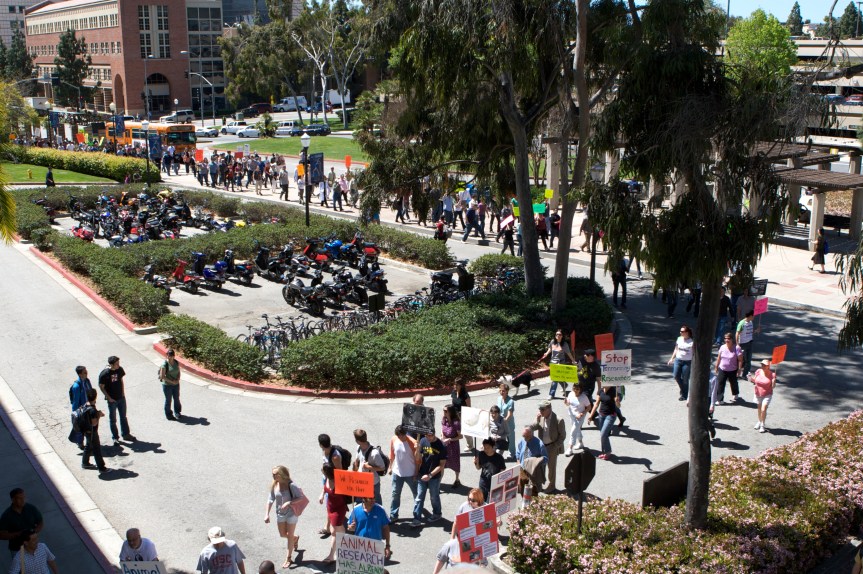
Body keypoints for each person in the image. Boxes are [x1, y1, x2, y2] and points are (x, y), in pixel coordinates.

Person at [264, 466, 302, 568]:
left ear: (282, 474)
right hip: (280, 513)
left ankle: (288, 558)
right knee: (282, 534)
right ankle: (295, 538)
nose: (273, 476)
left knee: (289, 535)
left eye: (276, 474)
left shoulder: (291, 485)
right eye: (273, 474)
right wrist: (267, 514)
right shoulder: (275, 485)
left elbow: (300, 497)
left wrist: (289, 502)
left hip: (291, 513)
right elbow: (270, 499)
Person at [412, 429, 446, 527]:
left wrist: (430, 475)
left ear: (434, 434)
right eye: (426, 436)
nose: (428, 438)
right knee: (419, 497)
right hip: (422, 474)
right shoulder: (423, 441)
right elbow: (417, 458)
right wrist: (417, 450)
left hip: (434, 477)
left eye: (430, 436)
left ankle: (437, 513)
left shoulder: (441, 445)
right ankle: (416, 518)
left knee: (434, 497)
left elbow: (442, 465)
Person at [98, 355, 134, 445]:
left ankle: (126, 434)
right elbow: (101, 386)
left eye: (118, 363)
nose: (118, 365)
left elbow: (121, 380)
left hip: (121, 398)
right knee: (113, 420)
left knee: (123, 417)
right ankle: (115, 437)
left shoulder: (119, 370)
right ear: (111, 365)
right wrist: (109, 398)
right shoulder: (104, 374)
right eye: (116, 364)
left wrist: (123, 393)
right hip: (112, 400)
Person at [531, 401, 565, 492]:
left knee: (551, 468)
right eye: (540, 409)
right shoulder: (541, 417)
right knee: (540, 466)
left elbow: (562, 436)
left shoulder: (558, 420)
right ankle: (540, 484)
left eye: (542, 409)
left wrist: (555, 446)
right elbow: (532, 427)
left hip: (552, 446)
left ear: (549, 409)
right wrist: (537, 420)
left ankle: (551, 485)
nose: (540, 411)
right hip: (542, 446)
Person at [388, 425, 417, 523]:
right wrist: (390, 467)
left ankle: (417, 516)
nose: (400, 438)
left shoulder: (413, 442)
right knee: (395, 494)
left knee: (416, 495)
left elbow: (418, 460)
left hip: (411, 473)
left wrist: (416, 473)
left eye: (401, 436)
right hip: (397, 473)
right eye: (398, 436)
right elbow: (392, 454)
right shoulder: (394, 439)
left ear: (405, 434)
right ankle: (393, 515)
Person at [0, 489, 43, 555]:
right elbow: (1, 535)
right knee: (21, 565)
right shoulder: (6, 515)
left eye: (24, 497)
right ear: (13, 500)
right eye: (19, 498)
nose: (23, 500)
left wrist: (34, 531)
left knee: (37, 564)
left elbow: (40, 522)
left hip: (33, 546)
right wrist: (18, 534)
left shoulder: (31, 508)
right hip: (17, 549)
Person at [319, 463, 347, 565]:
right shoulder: (327, 478)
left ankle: (331, 555)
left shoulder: (339, 480)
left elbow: (349, 491)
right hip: (330, 507)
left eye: (322, 469)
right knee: (336, 530)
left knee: (334, 532)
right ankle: (343, 537)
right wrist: (322, 495)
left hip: (339, 509)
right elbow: (324, 488)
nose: (321, 470)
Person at [353, 429, 386, 505]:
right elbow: (357, 460)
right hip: (361, 481)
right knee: (359, 503)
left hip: (373, 483)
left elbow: (382, 468)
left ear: (357, 440)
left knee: (376, 503)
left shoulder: (374, 453)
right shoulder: (358, 448)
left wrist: (369, 467)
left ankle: (379, 516)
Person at [540, 330, 576, 399]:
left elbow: (568, 353)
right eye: (557, 334)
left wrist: (573, 361)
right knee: (556, 378)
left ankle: (551, 394)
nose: (558, 336)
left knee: (555, 379)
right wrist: (546, 354)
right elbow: (550, 349)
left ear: (562, 336)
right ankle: (564, 385)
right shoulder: (552, 342)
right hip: (553, 363)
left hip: (560, 363)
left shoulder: (564, 344)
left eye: (560, 335)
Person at [81, 388, 108, 473]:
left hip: (86, 431)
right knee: (96, 450)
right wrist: (99, 415)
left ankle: (85, 462)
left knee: (88, 446)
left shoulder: (86, 405)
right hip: (92, 432)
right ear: (95, 397)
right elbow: (94, 423)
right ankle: (101, 468)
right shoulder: (92, 410)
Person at [516, 426, 548, 495]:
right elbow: (518, 454)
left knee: (533, 491)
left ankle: (534, 505)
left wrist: (535, 461)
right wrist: (518, 464)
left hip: (533, 471)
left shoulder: (539, 444)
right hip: (522, 469)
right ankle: (524, 504)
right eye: (523, 436)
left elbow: (545, 459)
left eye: (526, 436)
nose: (525, 438)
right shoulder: (522, 441)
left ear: (532, 434)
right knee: (522, 490)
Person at [588, 386, 617, 460]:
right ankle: (604, 452)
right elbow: (596, 404)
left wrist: (617, 401)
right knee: (603, 435)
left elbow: (618, 406)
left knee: (603, 434)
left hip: (610, 416)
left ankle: (608, 452)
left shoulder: (614, 390)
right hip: (601, 415)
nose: (601, 382)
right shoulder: (600, 390)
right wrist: (591, 416)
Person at [748, 359, 777, 433]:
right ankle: (759, 421)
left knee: (763, 409)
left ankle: (762, 425)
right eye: (762, 365)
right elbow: (755, 381)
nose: (763, 366)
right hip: (758, 393)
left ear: (768, 366)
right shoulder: (758, 371)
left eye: (765, 365)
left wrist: (773, 381)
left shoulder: (772, 374)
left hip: (767, 394)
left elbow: (773, 387)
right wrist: (750, 378)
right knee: (759, 409)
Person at [714, 333, 743, 404]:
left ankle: (735, 393)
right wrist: (716, 367)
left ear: (732, 339)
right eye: (725, 338)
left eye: (728, 338)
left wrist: (739, 369)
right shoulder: (722, 347)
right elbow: (719, 358)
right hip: (722, 369)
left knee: (733, 383)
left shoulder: (737, 348)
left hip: (733, 370)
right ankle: (719, 399)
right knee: (720, 383)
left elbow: (740, 360)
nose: (726, 340)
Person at [667, 325, 694, 401]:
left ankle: (684, 395)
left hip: (687, 362)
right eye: (680, 331)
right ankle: (684, 389)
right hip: (678, 360)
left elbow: (694, 353)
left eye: (682, 331)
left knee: (685, 379)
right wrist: (672, 358)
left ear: (687, 332)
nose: (680, 332)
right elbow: (676, 349)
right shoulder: (679, 339)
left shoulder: (692, 341)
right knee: (676, 376)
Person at [69, 365, 92, 448]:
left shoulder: (87, 381)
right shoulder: (77, 386)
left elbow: (90, 392)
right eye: (84, 372)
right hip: (81, 410)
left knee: (89, 426)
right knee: (80, 427)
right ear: (80, 374)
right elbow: (75, 401)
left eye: (86, 371)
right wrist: (75, 413)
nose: (86, 373)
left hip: (89, 408)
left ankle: (89, 442)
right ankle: (80, 443)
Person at [564, 384, 591, 454]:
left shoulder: (584, 397)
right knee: (577, 429)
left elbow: (589, 407)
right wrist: (566, 403)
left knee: (573, 431)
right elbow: (568, 404)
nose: (575, 390)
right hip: (572, 415)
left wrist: (582, 413)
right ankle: (580, 443)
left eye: (577, 389)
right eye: (574, 388)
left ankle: (570, 448)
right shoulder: (570, 394)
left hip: (580, 417)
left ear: (580, 390)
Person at [441, 405, 463, 488]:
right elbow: (442, 429)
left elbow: (460, 436)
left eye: (446, 411)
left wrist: (450, 439)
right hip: (444, 445)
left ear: (450, 412)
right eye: (443, 410)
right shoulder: (444, 420)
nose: (444, 412)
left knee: (455, 463)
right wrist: (442, 436)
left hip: (453, 447)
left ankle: (457, 479)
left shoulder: (456, 423)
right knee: (442, 463)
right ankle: (439, 481)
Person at [159, 349, 182, 420]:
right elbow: (162, 377)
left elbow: (179, 372)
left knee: (177, 399)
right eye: (169, 355)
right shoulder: (164, 365)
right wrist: (172, 382)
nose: (170, 357)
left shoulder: (176, 362)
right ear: (167, 355)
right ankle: (168, 415)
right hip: (167, 385)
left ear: (174, 356)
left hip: (176, 384)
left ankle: (177, 412)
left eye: (171, 355)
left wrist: (177, 379)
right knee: (168, 400)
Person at [736, 310, 760, 377]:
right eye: (753, 316)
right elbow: (737, 333)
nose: (754, 317)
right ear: (750, 316)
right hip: (743, 344)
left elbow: (750, 332)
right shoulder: (742, 323)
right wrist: (738, 344)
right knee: (741, 360)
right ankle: (736, 372)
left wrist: (756, 331)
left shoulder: (751, 322)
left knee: (748, 361)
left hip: (750, 343)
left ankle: (745, 375)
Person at [450, 382, 473, 451]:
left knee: (465, 431)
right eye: (454, 384)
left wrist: (467, 417)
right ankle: (453, 445)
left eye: (457, 385)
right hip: (455, 414)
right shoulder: (453, 392)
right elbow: (453, 403)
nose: (455, 386)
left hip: (463, 414)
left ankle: (470, 445)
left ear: (461, 385)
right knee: (455, 430)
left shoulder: (465, 395)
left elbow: (469, 407)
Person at [497, 384, 517, 461]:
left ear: (507, 391)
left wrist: (505, 420)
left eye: (503, 391)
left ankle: (512, 453)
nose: (501, 392)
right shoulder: (499, 399)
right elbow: (497, 410)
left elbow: (510, 413)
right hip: (500, 423)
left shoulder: (511, 401)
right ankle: (500, 452)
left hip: (509, 423)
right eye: (500, 390)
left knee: (510, 439)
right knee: (501, 438)